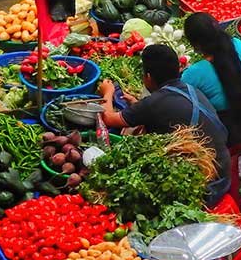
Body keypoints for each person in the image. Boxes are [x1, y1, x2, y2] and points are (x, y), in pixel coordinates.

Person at [99, 44, 231, 205]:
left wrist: (108, 91)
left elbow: (107, 118)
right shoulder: (190, 89)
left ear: (148, 76)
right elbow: (165, 109)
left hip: (206, 188)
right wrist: (137, 104)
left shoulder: (153, 103)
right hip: (224, 170)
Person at [181, 13, 241, 181]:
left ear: (195, 44)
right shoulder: (238, 45)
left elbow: (181, 98)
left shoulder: (193, 73)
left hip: (229, 131)